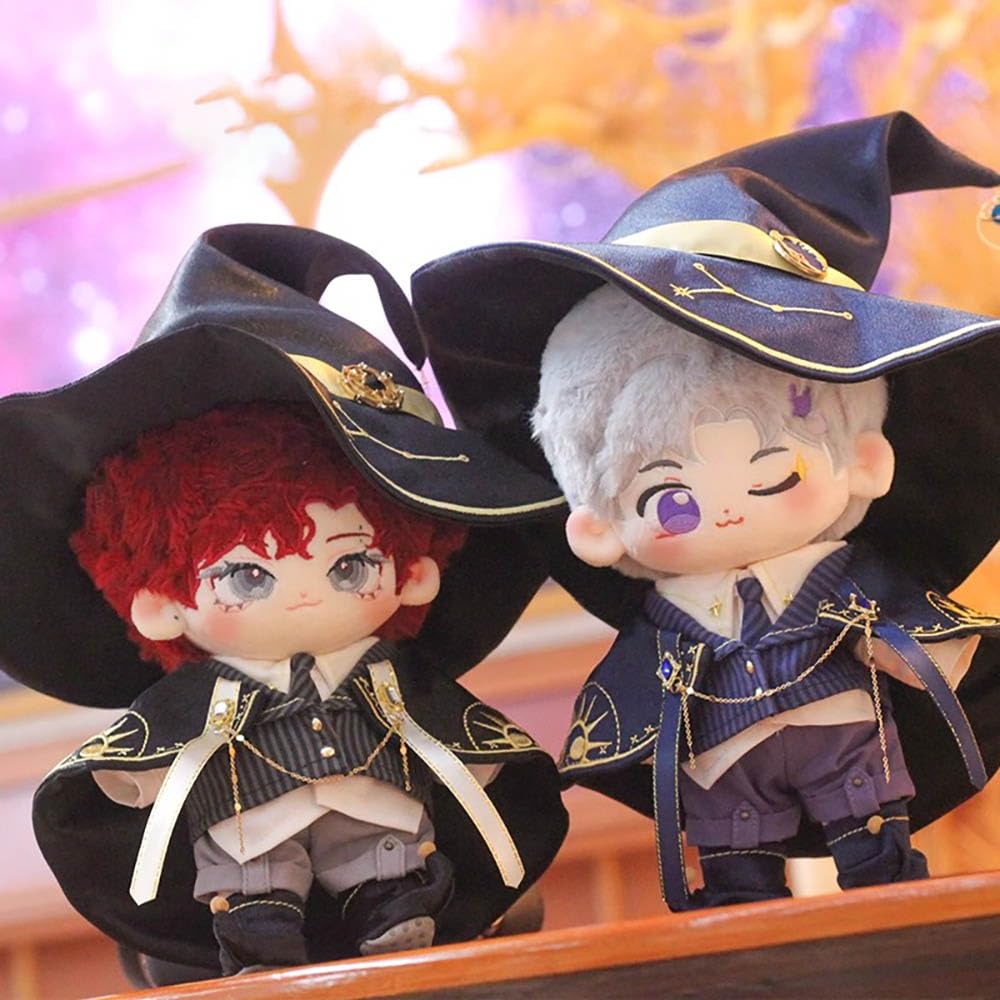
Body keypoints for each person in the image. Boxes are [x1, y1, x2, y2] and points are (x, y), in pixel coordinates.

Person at [411, 111, 1000, 909]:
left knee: (874, 853)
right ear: (597, 527)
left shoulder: (846, 580)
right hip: (723, 764)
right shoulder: (669, 619)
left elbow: (909, 628)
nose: (723, 515)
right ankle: (737, 901)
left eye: (774, 477)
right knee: (735, 867)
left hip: (845, 740)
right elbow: (631, 688)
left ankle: (881, 875)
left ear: (864, 463)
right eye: (673, 502)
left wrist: (934, 659)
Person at [1, 224, 568, 973]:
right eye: (246, 576)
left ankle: (394, 903)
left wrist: (486, 773)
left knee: (386, 854)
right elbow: (154, 747)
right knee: (253, 871)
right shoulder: (202, 694)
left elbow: (445, 728)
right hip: (249, 823)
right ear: (161, 602)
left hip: (379, 814)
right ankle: (257, 923)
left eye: (350, 565)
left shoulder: (386, 676)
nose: (304, 597)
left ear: (414, 571)